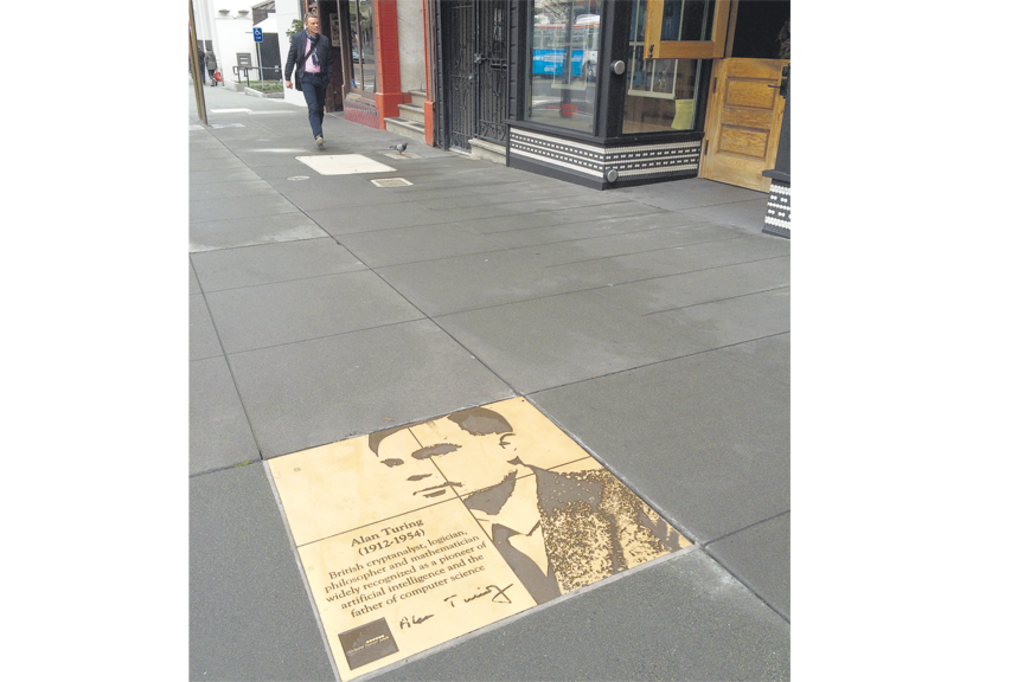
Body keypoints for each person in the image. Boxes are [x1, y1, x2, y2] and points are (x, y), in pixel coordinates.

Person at [370, 406, 685, 606]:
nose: (412, 474)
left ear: (507, 445)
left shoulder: (607, 491)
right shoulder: (429, 536)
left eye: (433, 454)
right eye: (393, 464)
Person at [285, 13, 334, 149]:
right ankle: (318, 135)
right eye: (313, 23)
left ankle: (318, 131)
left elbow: (329, 60)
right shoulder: (298, 38)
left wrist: (328, 76)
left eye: (317, 23)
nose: (316, 25)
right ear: (306, 24)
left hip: (321, 78)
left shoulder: (324, 40)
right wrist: (287, 78)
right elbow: (291, 58)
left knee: (319, 108)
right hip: (306, 77)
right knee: (313, 107)